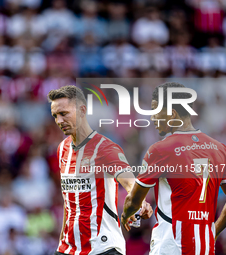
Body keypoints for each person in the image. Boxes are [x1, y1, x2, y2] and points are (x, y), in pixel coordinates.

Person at [122, 82, 226, 254]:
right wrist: (213, 231)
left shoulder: (161, 150)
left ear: (172, 114)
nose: (153, 118)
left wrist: (126, 215)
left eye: (156, 112)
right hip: (205, 246)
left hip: (171, 244)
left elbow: (134, 201)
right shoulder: (220, 148)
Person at [47, 85, 153, 255]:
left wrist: (141, 202)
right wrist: (61, 241)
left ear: (82, 110)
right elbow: (69, 202)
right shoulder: (62, 149)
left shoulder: (105, 148)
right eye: (55, 116)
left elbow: (129, 182)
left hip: (102, 247)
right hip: (68, 248)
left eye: (64, 114)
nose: (59, 121)